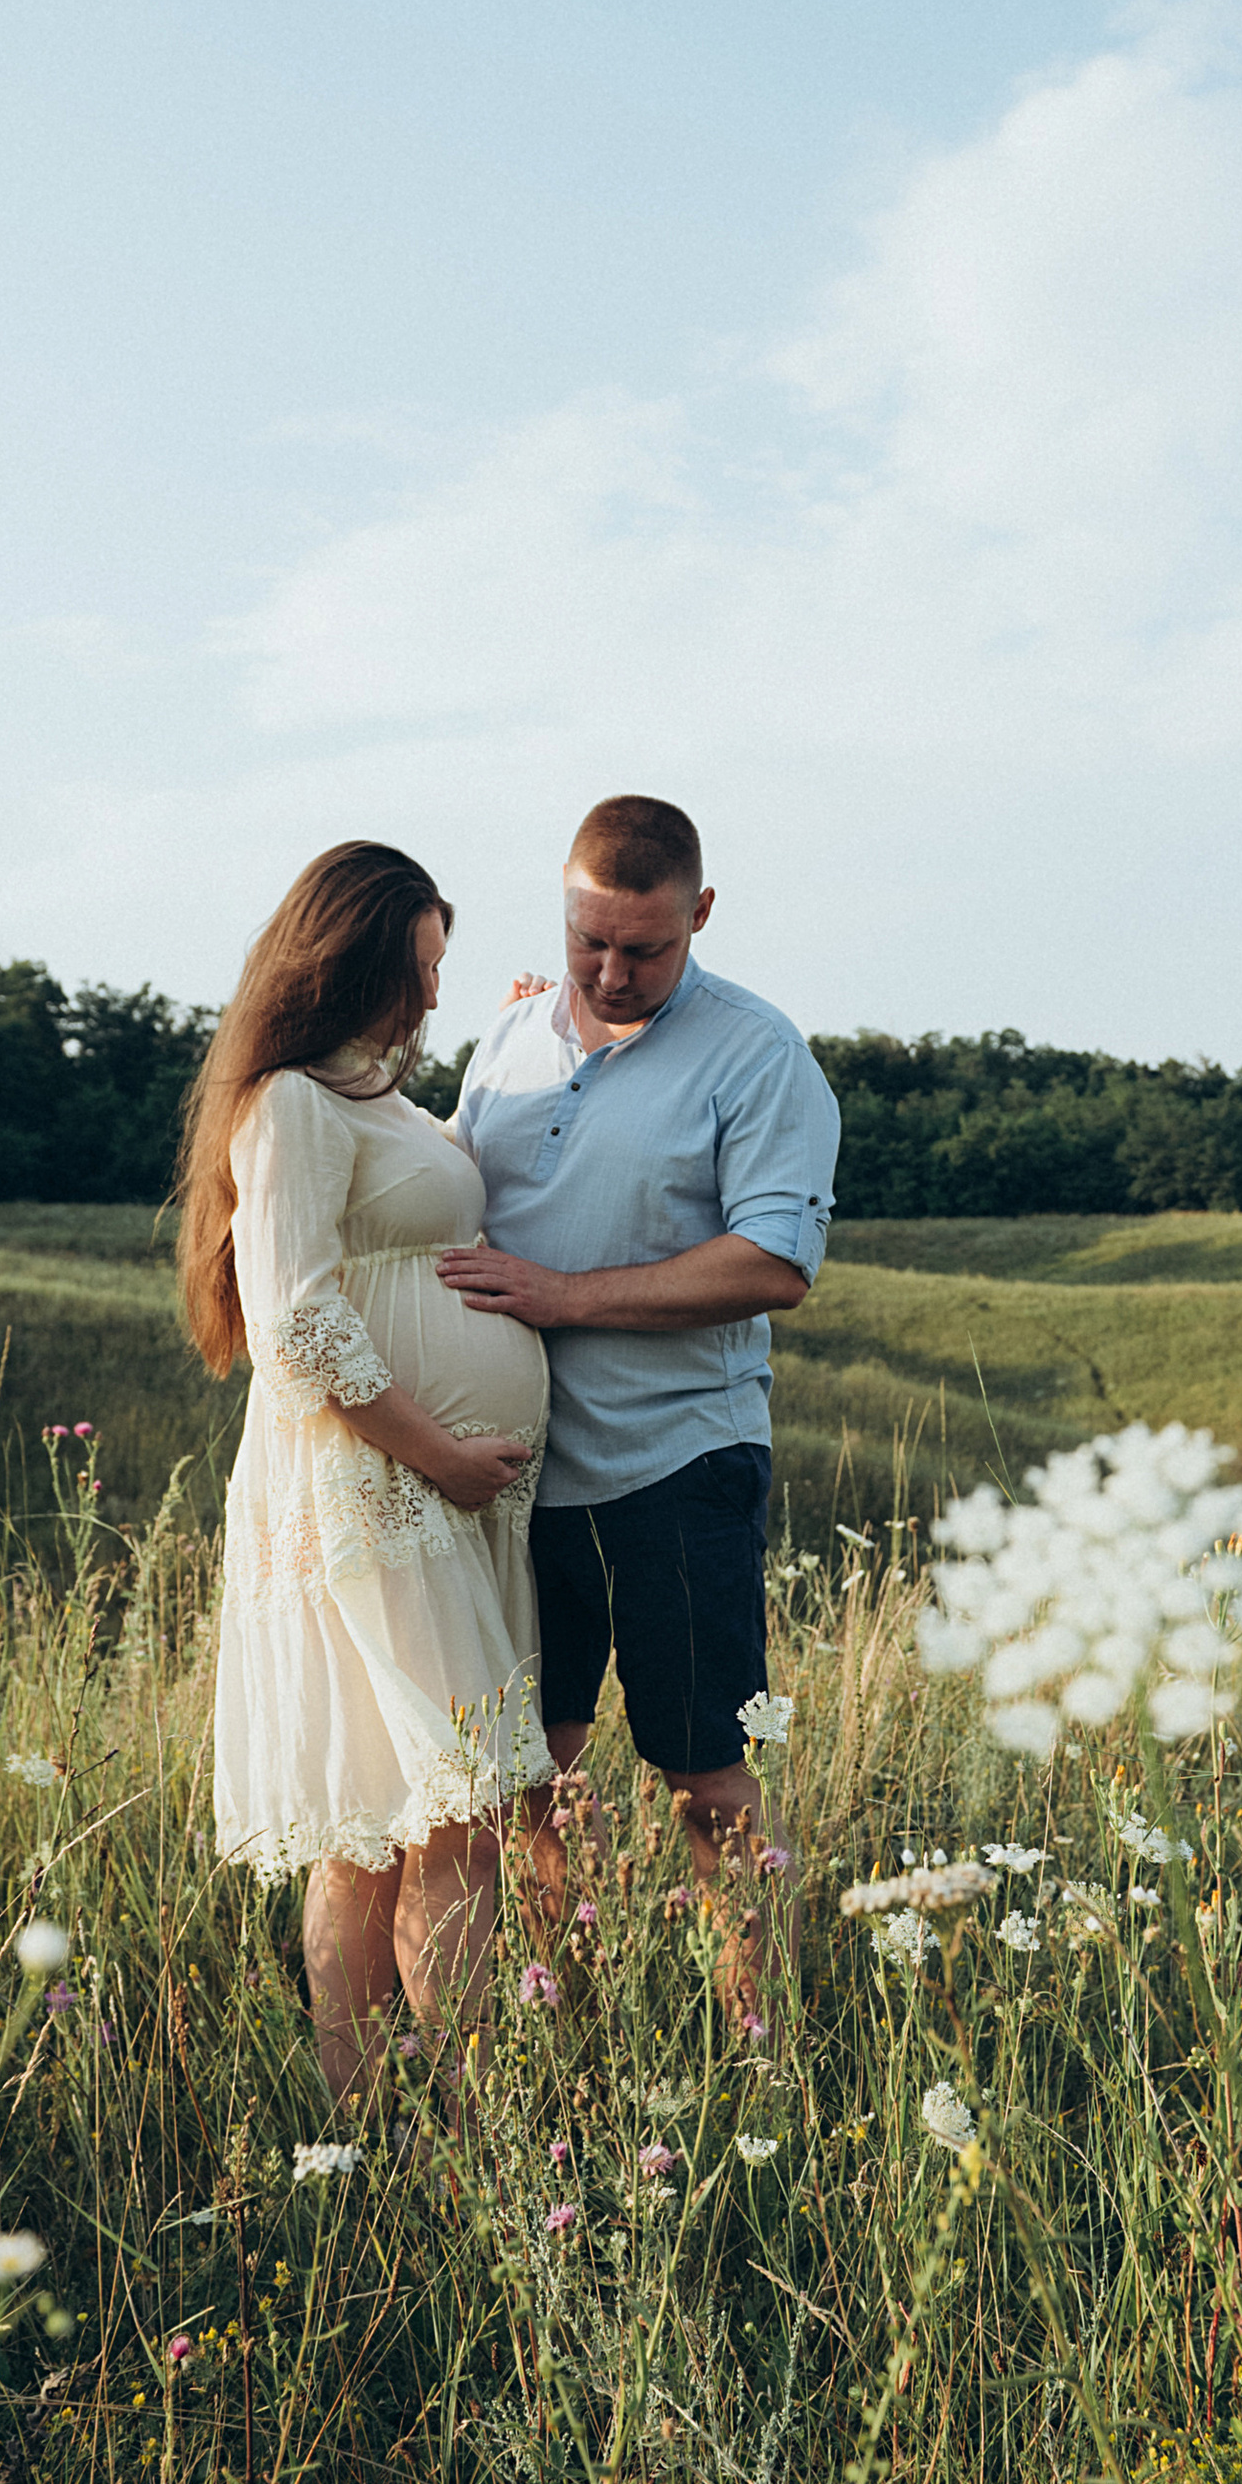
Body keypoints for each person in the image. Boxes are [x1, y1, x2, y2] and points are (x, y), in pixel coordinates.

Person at [437, 794, 840, 2021]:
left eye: (645, 949)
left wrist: (563, 1296)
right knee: (528, 1776)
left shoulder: (758, 1056)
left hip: (677, 1464)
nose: (612, 973)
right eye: (588, 943)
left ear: (700, 915)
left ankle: (750, 2038)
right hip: (516, 1478)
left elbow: (775, 1261)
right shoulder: (503, 1041)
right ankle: (568, 2022)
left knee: (704, 1776)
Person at [179, 843, 550, 2102]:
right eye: (422, 969)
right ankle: (450, 2129)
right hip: (376, 1496)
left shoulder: (378, 1100)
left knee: (400, 1822)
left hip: (431, 1504)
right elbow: (292, 1321)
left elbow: (421, 1176)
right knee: (440, 1820)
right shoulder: (289, 1103)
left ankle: (400, 2133)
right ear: (352, 963)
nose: (435, 996)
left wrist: (509, 1040)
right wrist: (443, 1454)